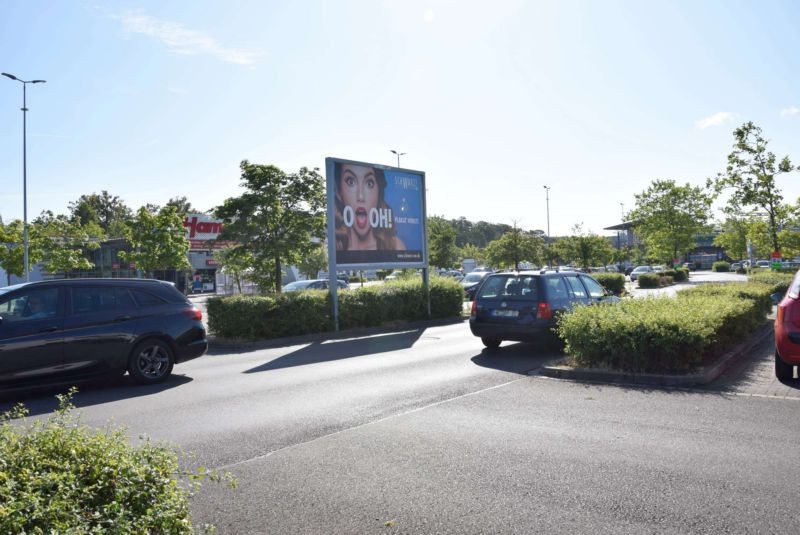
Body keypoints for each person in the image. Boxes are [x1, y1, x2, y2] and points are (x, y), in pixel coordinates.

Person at [334, 163, 406, 251]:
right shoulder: (336, 249)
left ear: (379, 191)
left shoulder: (395, 246)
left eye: (369, 183)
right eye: (350, 182)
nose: (360, 196)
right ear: (339, 192)